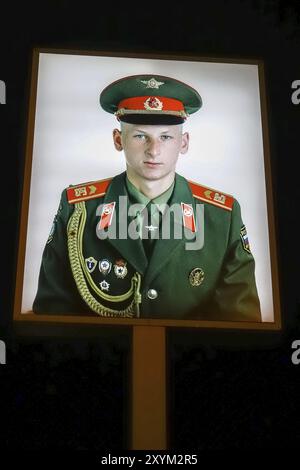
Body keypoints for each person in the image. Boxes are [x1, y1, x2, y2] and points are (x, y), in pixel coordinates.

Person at [33, 74, 261, 321]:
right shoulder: (78, 208)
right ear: (118, 140)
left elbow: (240, 324)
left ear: (183, 143)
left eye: (166, 137)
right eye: (140, 136)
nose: (154, 150)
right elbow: (52, 316)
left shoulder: (222, 217)